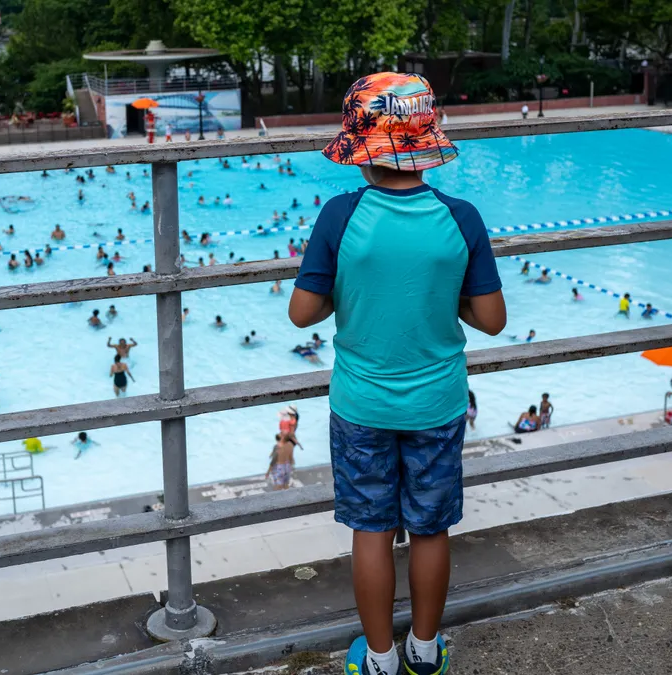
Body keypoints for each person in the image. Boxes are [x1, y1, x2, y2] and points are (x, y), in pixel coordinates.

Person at [288, 72, 506, 675]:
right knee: (431, 531)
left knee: (371, 530)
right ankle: (425, 652)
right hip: (437, 403)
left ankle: (380, 659)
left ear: (360, 151)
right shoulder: (461, 218)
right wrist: (444, 293)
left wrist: (349, 285)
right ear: (426, 142)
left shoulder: (340, 216)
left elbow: (302, 312)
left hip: (362, 405)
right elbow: (492, 319)